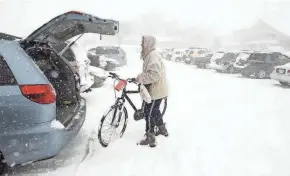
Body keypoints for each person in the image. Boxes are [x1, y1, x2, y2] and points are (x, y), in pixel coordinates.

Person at [135, 35, 169, 147]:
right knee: (154, 111)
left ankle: (150, 137)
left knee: (148, 113)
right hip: (158, 89)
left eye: (143, 42)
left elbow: (154, 75)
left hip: (156, 90)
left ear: (148, 43)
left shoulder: (152, 55)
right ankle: (162, 129)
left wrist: (141, 77)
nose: (141, 45)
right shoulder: (151, 55)